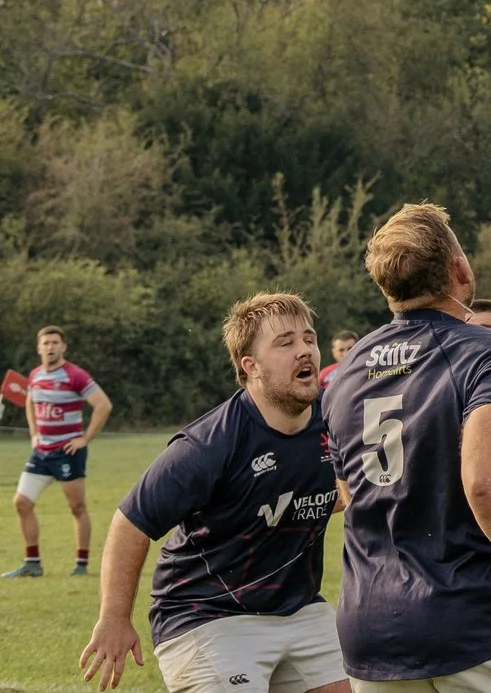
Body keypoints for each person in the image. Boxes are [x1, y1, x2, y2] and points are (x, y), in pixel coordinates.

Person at [323, 204, 491, 690]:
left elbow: (360, 491)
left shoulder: (348, 369)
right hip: (471, 621)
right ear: (458, 267)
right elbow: (484, 482)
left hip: (369, 628)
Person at [79, 294, 345, 693]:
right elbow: (130, 523)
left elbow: (347, 490)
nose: (304, 350)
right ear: (250, 366)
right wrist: (115, 617)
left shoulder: (337, 418)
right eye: (285, 343)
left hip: (299, 609)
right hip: (206, 613)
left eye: (309, 338)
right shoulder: (209, 444)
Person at [9, 323, 112, 578]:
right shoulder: (34, 375)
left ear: (63, 347)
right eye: (46, 343)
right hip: (41, 453)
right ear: (39, 348)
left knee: (76, 507)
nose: (50, 347)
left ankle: (81, 564)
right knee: (21, 503)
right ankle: (32, 563)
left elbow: (103, 405)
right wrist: (34, 434)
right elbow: (30, 402)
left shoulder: (75, 375)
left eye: (55, 343)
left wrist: (85, 439)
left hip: (68, 451)